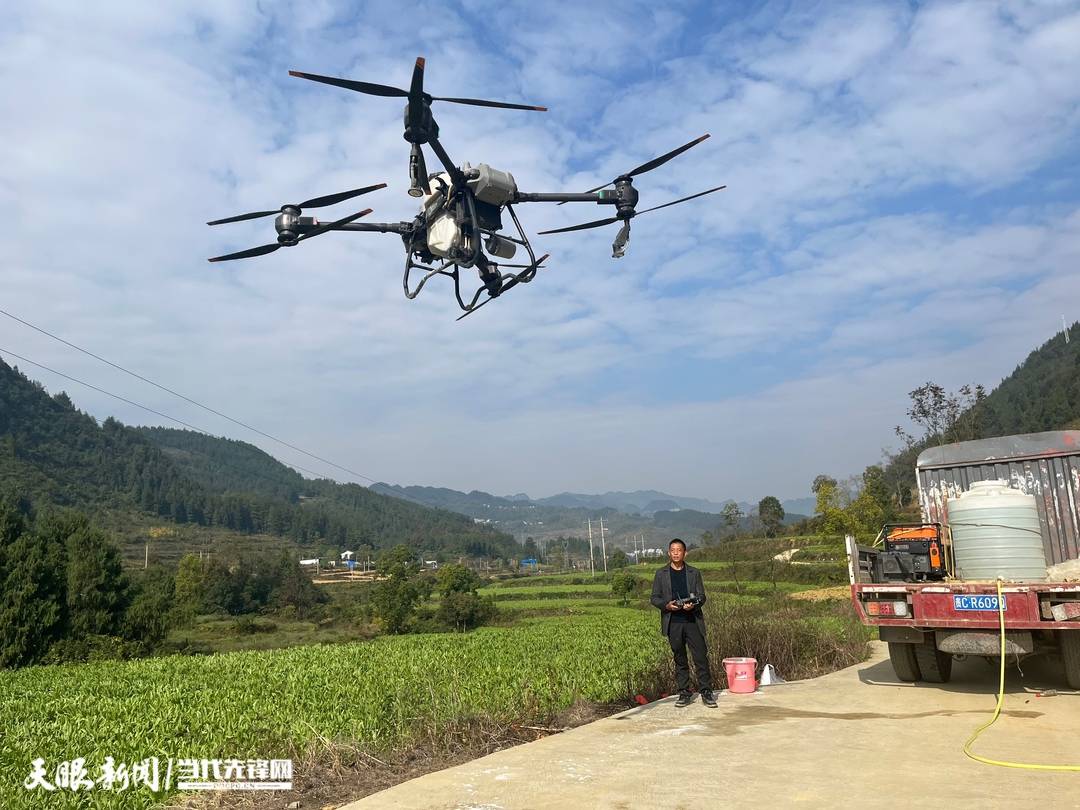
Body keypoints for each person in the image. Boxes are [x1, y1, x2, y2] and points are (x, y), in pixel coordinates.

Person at [650, 538, 716, 707]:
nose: (676, 553)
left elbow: (702, 596)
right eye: (673, 550)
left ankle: (706, 692)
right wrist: (667, 605)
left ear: (685, 553)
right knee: (680, 658)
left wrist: (693, 605)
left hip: (692, 620)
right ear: (668, 553)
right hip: (674, 622)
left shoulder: (694, 572)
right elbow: (654, 598)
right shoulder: (661, 574)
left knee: (700, 657)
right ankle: (684, 693)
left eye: (679, 550)